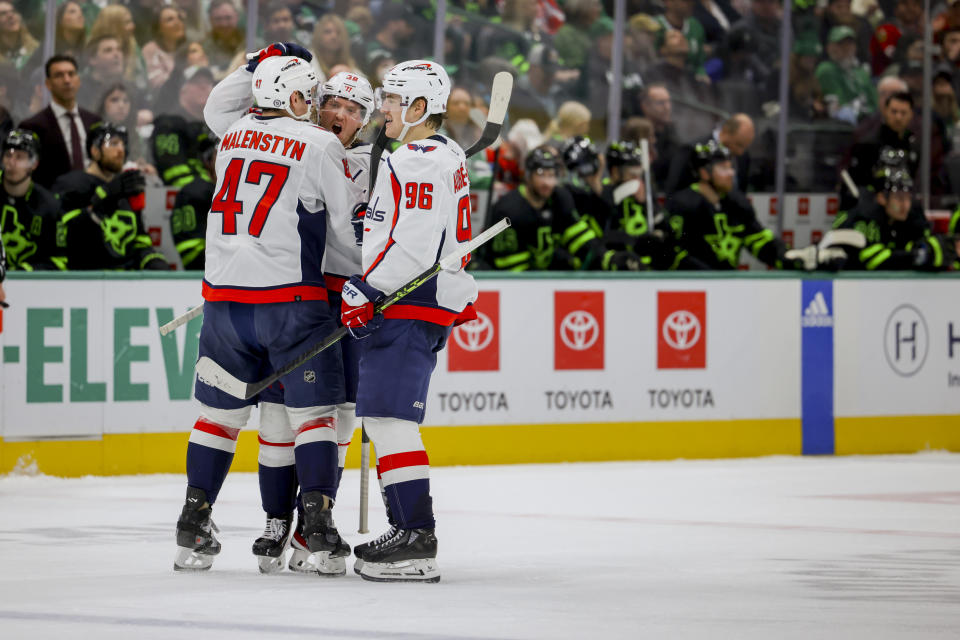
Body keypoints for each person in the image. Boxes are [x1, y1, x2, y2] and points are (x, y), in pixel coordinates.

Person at [175, 48, 355, 574]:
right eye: (312, 95)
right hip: (291, 302)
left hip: (224, 303)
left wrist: (255, 63)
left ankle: (194, 515)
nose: (318, 104)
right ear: (296, 98)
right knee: (313, 415)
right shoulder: (321, 142)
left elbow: (217, 106)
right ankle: (317, 524)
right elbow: (346, 236)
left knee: (218, 417)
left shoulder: (230, 137)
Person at [343, 60, 477, 583]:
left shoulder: (417, 160)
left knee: (390, 420)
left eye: (394, 101)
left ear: (420, 108)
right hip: (415, 300)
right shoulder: (442, 154)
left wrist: (367, 289)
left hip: (408, 300)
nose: (383, 109)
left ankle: (416, 537)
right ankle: (407, 530)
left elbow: (416, 248)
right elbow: (411, 227)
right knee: (384, 417)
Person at [51, 122, 167, 271]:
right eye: (113, 144)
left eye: (122, 144)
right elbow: (63, 234)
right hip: (87, 280)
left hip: (125, 281)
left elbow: (138, 238)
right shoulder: (72, 184)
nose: (121, 150)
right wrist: (102, 203)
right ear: (95, 151)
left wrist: (151, 259)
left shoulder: (126, 185)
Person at [663, 140, 794, 270]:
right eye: (723, 168)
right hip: (693, 286)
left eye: (730, 167)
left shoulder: (737, 203)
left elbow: (758, 239)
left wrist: (789, 256)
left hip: (728, 285)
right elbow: (671, 251)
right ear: (704, 173)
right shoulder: (682, 205)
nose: (731, 173)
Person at [486, 145, 601, 271]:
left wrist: (605, 258)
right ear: (528, 176)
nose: (547, 182)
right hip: (508, 283)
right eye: (541, 174)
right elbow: (511, 269)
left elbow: (579, 237)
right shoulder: (509, 210)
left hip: (544, 278)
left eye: (551, 175)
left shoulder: (560, 198)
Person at [834, 168, 957, 270]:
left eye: (908, 198)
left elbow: (923, 246)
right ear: (881, 198)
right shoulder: (864, 219)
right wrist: (916, 256)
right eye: (899, 198)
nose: (905, 205)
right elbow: (871, 259)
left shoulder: (912, 219)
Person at [19, 55, 99, 189]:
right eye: (59, 75)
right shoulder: (32, 127)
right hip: (53, 201)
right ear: (48, 84)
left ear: (78, 80)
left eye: (71, 74)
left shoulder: (94, 121)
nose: (67, 80)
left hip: (93, 199)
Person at [0, 129, 63, 271]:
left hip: (31, 286)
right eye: (8, 155)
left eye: (19, 157)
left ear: (34, 164)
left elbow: (59, 260)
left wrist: (25, 272)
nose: (11, 163)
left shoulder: (50, 206)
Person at [150, 65, 215, 188]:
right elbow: (174, 172)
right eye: (196, 82)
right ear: (182, 89)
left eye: (207, 82)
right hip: (188, 200)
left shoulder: (213, 125)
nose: (204, 86)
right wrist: (209, 191)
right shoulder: (168, 125)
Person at [664, 112, 755, 195]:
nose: (740, 152)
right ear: (725, 131)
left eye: (745, 146)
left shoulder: (743, 157)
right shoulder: (693, 151)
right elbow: (674, 191)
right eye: (738, 144)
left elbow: (741, 192)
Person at [169, 131, 216, 270]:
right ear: (207, 159)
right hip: (209, 282)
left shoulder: (244, 190)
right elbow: (191, 255)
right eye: (223, 150)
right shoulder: (193, 194)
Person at [77, 35, 129, 113]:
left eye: (119, 49)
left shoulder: (129, 87)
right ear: (92, 59)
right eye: (108, 50)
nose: (117, 54)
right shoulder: (80, 89)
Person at [141, 6, 187, 91]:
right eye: (170, 19)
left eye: (179, 18)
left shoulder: (186, 48)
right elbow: (157, 84)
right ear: (158, 28)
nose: (177, 22)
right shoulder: (150, 50)